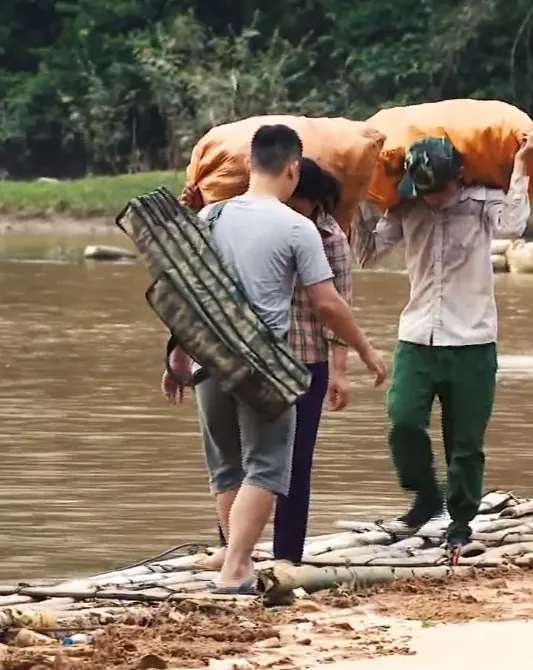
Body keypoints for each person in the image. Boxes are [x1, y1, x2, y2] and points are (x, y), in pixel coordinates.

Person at [163, 124, 386, 593]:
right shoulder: (297, 227)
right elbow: (327, 302)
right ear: (291, 169)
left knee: (227, 466)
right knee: (267, 467)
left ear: (248, 165)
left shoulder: (210, 218)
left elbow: (186, 293)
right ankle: (235, 570)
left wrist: (176, 358)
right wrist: (364, 349)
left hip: (208, 357)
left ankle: (235, 560)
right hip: (263, 362)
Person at [352, 133, 533, 557]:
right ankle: (424, 494)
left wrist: (522, 166)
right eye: (425, 192)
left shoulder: (481, 203)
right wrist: (359, 197)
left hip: (473, 339)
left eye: (439, 190)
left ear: (457, 176)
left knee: (465, 442)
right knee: (402, 421)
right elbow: (367, 254)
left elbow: (513, 226)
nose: (433, 200)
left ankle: (460, 521)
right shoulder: (407, 207)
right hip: (417, 337)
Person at [204, 157, 355, 566]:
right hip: (251, 357)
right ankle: (234, 549)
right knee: (236, 458)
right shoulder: (250, 224)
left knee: (292, 465)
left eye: (299, 203)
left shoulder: (328, 236)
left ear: (311, 199)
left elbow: (337, 305)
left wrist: (340, 371)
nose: (292, 209)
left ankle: (287, 554)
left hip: (306, 362)